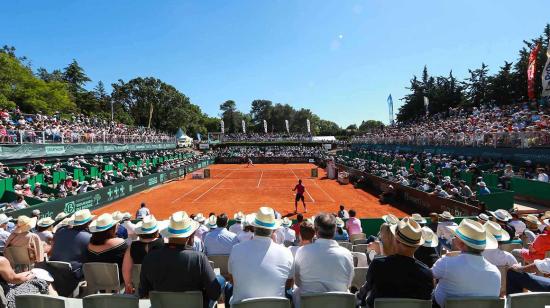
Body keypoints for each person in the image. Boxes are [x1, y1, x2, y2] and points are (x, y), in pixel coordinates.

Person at [139, 211, 222, 308]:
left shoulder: (149, 258)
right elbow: (215, 294)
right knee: (221, 280)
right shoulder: (199, 259)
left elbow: (143, 292)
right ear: (189, 236)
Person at [358, 218, 434, 308]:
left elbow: (366, 289)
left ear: (396, 240)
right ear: (417, 246)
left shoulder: (377, 264)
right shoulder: (427, 274)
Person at [227, 207, 294, 307]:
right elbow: (288, 285)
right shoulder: (286, 252)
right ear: (273, 230)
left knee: (228, 288)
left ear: (254, 227)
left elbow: (232, 280)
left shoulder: (236, 249)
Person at [432, 219, 501, 307]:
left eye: (455, 236)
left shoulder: (446, 262)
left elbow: (430, 275)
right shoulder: (495, 272)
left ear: (460, 244)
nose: (453, 238)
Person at [294, 213, 354, 307]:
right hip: (338, 305)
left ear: (316, 231)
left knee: (296, 291)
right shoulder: (347, 254)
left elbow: (297, 282)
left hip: (309, 304)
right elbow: (348, 284)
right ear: (335, 230)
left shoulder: (302, 251)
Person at [48, 209, 93, 296]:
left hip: (54, 270)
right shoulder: (89, 237)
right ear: (88, 223)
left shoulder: (60, 231)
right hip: (73, 274)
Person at [122, 215, 164, 294]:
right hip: (160, 287)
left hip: (140, 288)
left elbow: (125, 269)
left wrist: (128, 285)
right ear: (157, 231)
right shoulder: (164, 243)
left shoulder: (132, 246)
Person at [85, 213, 128, 281]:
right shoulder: (120, 242)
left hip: (97, 282)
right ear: (111, 230)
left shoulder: (89, 245)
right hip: (118, 282)